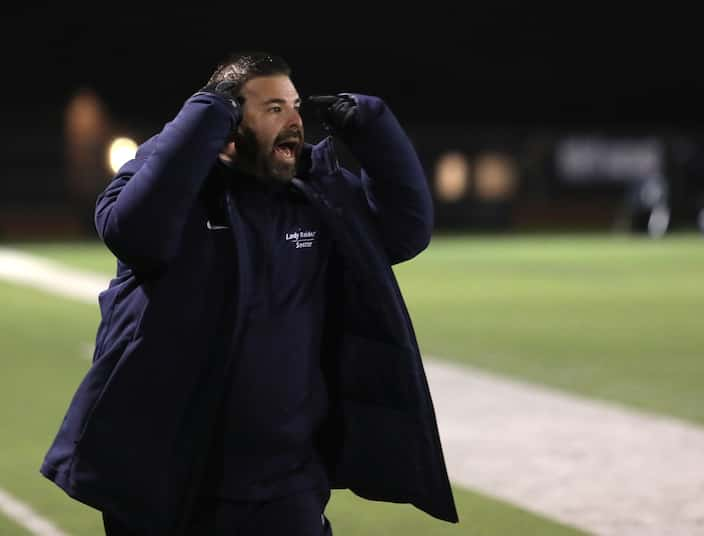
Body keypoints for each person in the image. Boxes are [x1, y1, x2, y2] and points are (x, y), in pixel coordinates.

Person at [40, 51, 458, 535]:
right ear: (228, 118)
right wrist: (205, 115)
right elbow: (135, 232)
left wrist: (375, 128)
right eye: (274, 108)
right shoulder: (173, 186)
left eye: (297, 105)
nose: (296, 121)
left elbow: (404, 233)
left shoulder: (314, 193)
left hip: (285, 483)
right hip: (168, 478)